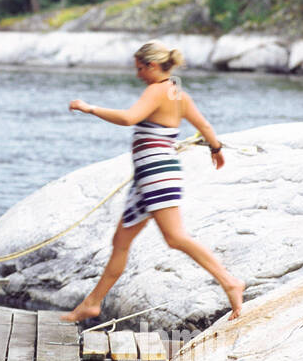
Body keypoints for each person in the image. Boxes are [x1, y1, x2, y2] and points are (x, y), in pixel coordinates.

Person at [60, 41, 243, 322]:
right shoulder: (178, 92)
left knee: (175, 237)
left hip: (157, 173)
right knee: (120, 240)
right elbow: (204, 126)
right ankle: (92, 304)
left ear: (153, 66)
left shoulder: (157, 90)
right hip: (149, 176)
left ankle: (230, 282)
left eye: (139, 69)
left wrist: (89, 108)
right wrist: (216, 148)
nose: (137, 75)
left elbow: (129, 117)